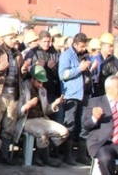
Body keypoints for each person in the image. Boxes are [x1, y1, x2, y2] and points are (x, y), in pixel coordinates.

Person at [0, 24, 25, 165]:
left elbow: (20, 76)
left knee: (9, 127)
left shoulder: (18, 54)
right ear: (3, 38)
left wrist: (24, 70)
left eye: (14, 37)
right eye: (11, 37)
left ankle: (4, 156)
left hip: (13, 94)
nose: (14, 40)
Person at [12, 65, 67, 167]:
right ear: (32, 79)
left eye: (42, 82)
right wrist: (28, 106)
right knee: (42, 133)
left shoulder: (42, 90)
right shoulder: (23, 89)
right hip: (27, 120)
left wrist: (54, 104)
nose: (41, 84)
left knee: (63, 132)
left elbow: (46, 110)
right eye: (39, 81)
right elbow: (18, 113)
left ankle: (39, 153)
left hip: (41, 119)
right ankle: (46, 158)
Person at [59, 32, 93, 165]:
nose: (84, 49)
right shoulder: (66, 55)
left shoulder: (84, 55)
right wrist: (79, 68)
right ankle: (67, 155)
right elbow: (63, 74)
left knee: (84, 124)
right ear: (75, 44)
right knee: (70, 124)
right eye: (82, 46)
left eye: (85, 46)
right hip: (72, 94)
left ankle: (81, 154)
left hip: (85, 93)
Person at [83, 76, 118, 175]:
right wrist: (95, 118)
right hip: (103, 142)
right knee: (105, 159)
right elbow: (86, 125)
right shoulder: (95, 102)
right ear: (112, 89)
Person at [95, 33, 118, 97]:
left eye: (112, 46)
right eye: (110, 46)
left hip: (110, 93)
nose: (112, 48)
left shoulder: (114, 60)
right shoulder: (95, 59)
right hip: (96, 93)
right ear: (103, 45)